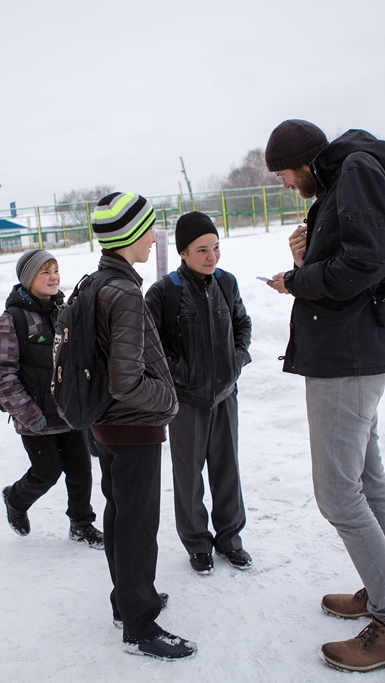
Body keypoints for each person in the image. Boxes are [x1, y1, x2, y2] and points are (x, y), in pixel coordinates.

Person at [264, 120, 385, 672]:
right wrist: (308, 256)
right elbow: (352, 256)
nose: (282, 182)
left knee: (336, 493)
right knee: (365, 479)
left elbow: (365, 261)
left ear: (302, 160)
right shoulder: (341, 179)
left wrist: (297, 280)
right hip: (351, 351)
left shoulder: (353, 171)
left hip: (347, 357)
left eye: (282, 172)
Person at [89, 191, 196, 660]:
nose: (155, 236)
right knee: (137, 525)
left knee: (118, 516)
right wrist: (167, 402)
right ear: (129, 234)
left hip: (106, 427)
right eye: (148, 228)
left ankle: (126, 599)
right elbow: (127, 381)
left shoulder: (96, 283)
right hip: (132, 428)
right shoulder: (125, 295)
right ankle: (140, 626)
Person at [145, 211, 253, 575]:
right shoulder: (164, 293)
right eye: (202, 250)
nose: (212, 257)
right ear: (183, 253)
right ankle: (197, 543)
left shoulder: (227, 283)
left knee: (227, 469)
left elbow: (242, 324)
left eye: (216, 248)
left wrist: (236, 361)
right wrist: (182, 376)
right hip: (187, 401)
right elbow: (152, 346)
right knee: (189, 474)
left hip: (225, 395)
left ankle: (230, 539)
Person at [0, 249, 104, 550]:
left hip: (68, 411)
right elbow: (0, 373)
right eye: (45, 272)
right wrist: (27, 413)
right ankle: (15, 498)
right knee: (46, 472)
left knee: (81, 470)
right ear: (28, 279)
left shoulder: (63, 309)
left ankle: (81, 523)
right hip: (36, 415)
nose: (54, 277)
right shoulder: (12, 320)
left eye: (55, 270)